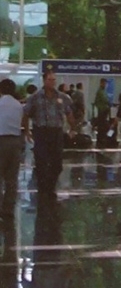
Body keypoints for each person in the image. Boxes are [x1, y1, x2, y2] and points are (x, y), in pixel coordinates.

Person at [22, 70, 77, 196]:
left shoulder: (62, 97)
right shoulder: (35, 97)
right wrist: (26, 131)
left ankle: (51, 186)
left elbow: (69, 113)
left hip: (56, 132)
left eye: (54, 80)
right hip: (41, 132)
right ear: (44, 80)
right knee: (41, 161)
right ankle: (43, 188)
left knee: (57, 163)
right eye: (49, 80)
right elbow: (26, 114)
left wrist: (72, 128)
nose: (52, 82)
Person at [0, 78, 22, 220]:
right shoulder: (18, 105)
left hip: (1, 140)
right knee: (12, 178)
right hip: (15, 141)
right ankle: (8, 209)